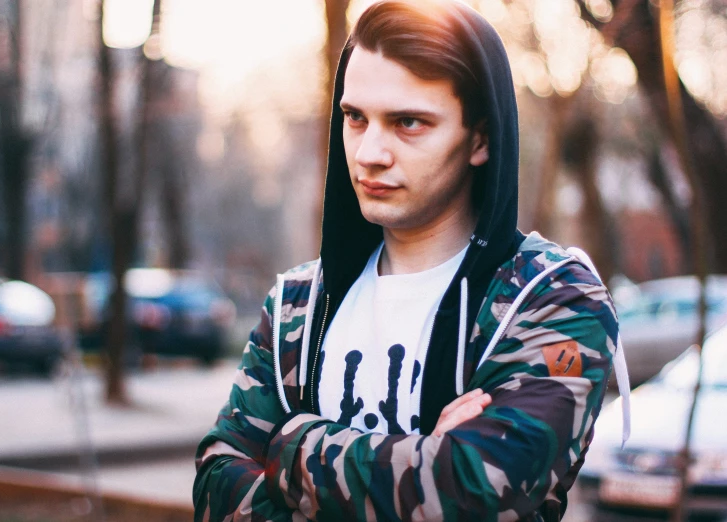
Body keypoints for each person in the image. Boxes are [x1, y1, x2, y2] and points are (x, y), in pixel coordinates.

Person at [194, 1, 630, 520]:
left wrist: (292, 447)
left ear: (481, 139)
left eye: (408, 122)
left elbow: (472, 490)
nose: (369, 152)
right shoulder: (298, 306)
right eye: (355, 118)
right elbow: (217, 484)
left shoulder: (550, 298)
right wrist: (419, 460)